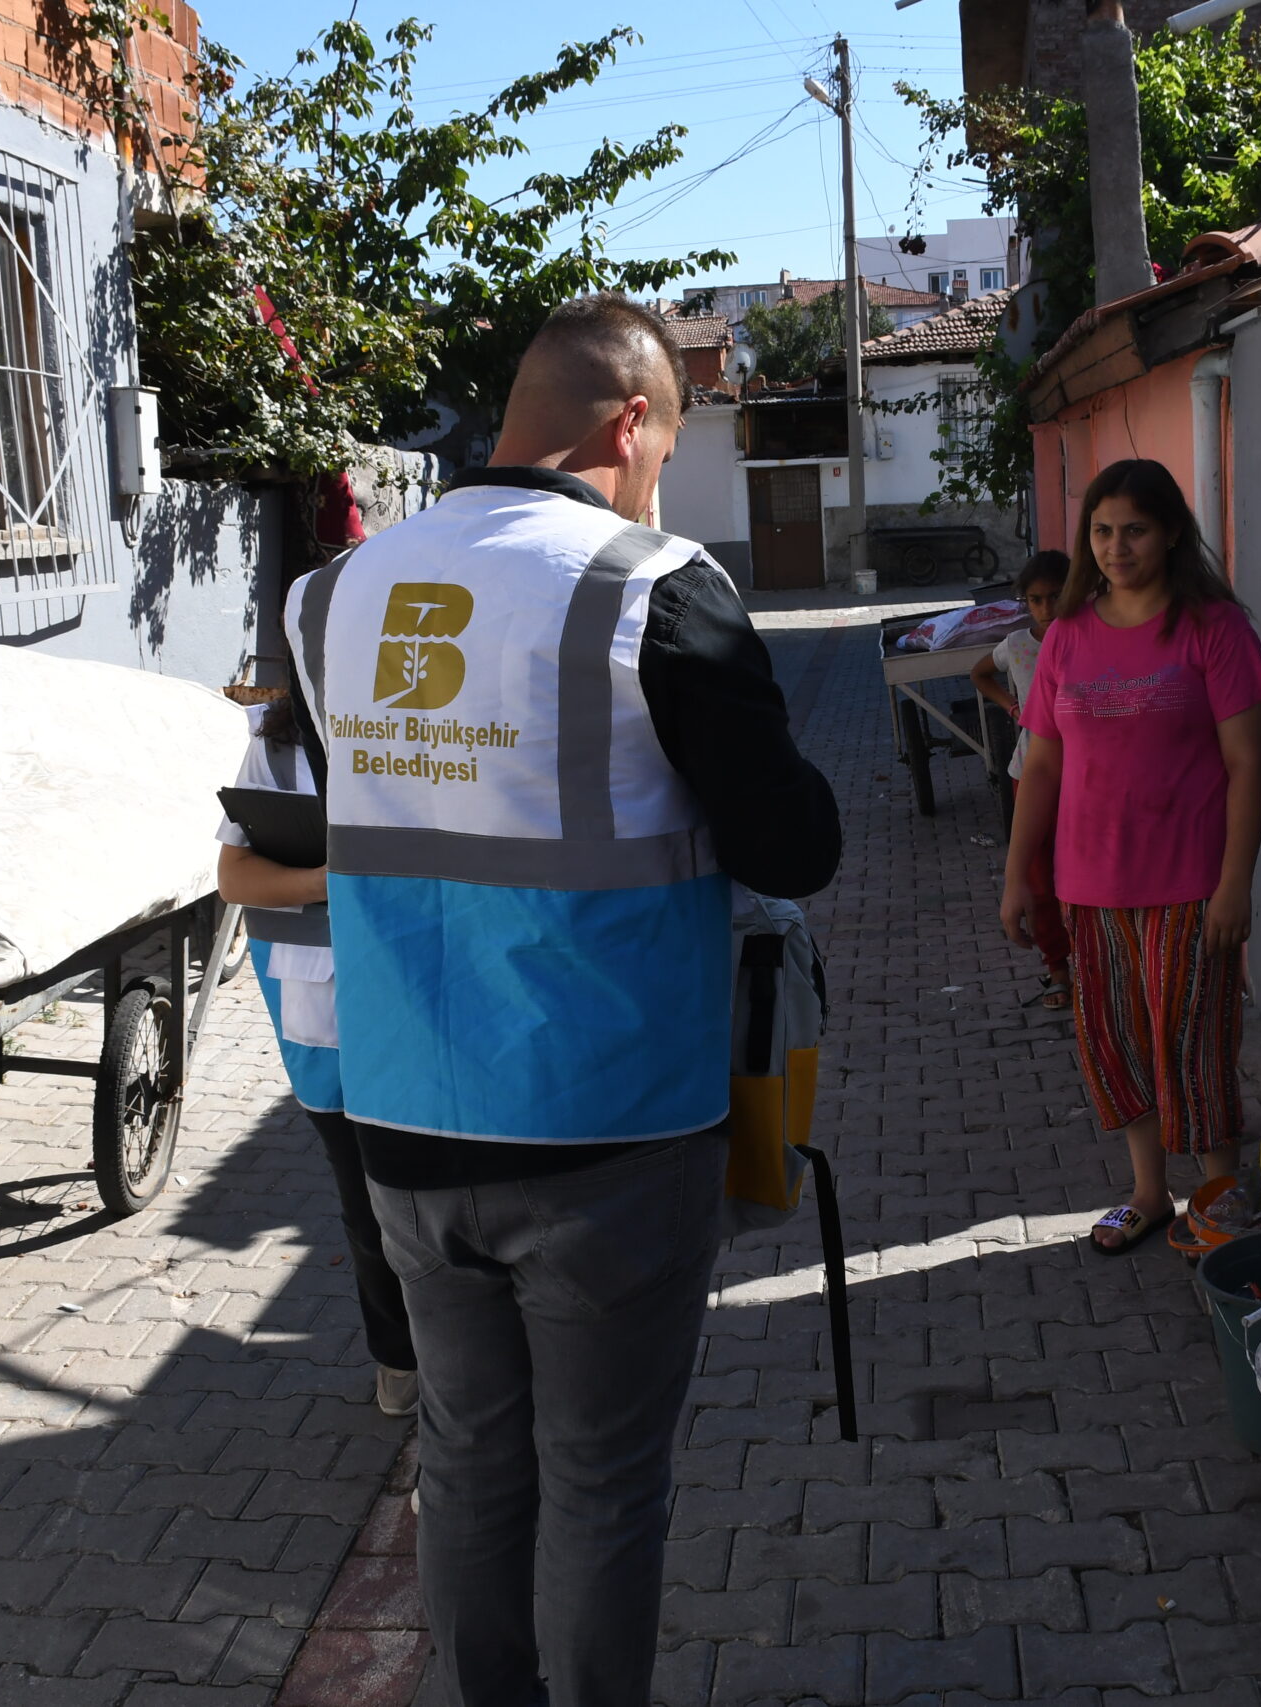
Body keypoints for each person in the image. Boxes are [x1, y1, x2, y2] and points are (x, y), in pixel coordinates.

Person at [286, 293, 840, 1706]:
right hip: (610, 1121)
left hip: (403, 1114)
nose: (660, 475)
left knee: (468, 1456)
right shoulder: (653, 584)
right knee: (600, 1477)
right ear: (630, 422)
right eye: (665, 440)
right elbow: (795, 845)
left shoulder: (334, 594)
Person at [998, 459, 1261, 1256]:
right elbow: (1042, 764)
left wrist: (1236, 882)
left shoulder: (1214, 630)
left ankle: (1220, 1198)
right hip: (1089, 885)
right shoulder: (1068, 638)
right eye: (1102, 531)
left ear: (1170, 534)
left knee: (1193, 1041)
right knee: (1115, 1042)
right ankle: (1151, 1194)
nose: (1118, 547)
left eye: (1135, 530)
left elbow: (1247, 765)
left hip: (1191, 884)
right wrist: (1018, 873)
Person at [213, 692, 418, 1417]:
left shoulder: (438, 721)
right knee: (366, 1204)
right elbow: (236, 878)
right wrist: (330, 882)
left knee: (440, 1197)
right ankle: (398, 1360)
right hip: (325, 1018)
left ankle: (461, 1363)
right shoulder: (276, 745)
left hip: (427, 1001)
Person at [971, 550, 1073, 1008]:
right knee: (1037, 878)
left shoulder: (1087, 639)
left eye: (1056, 597)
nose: (1047, 609)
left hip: (1085, 776)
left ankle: (1094, 965)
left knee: (1083, 876)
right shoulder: (1017, 645)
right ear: (1025, 603)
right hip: (1030, 771)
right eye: (1037, 600)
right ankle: (1057, 969)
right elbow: (980, 673)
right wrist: (1013, 708)